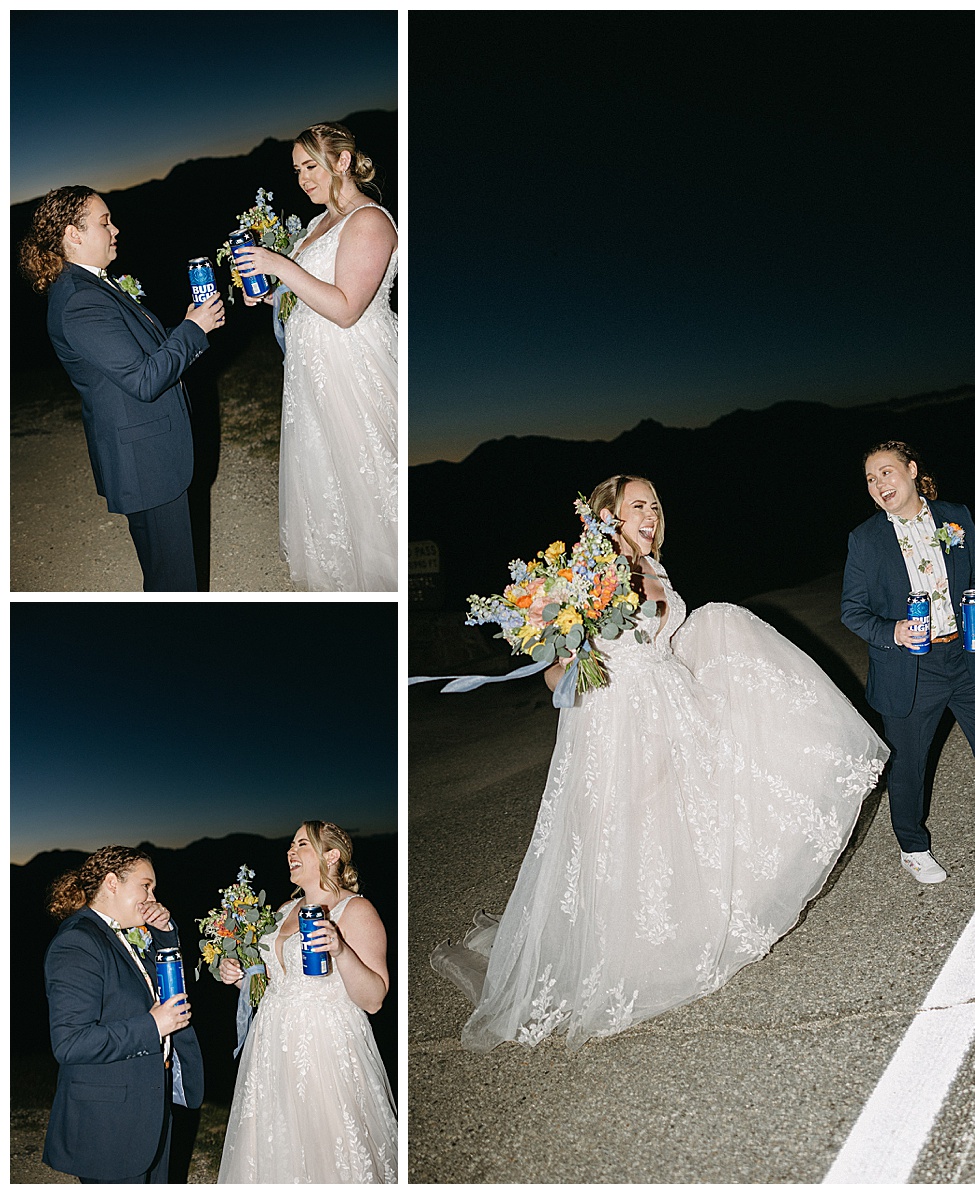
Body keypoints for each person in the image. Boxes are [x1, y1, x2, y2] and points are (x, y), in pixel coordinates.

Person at [431, 476, 890, 1051]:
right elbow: (557, 673)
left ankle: (682, 929)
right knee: (628, 831)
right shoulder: (587, 573)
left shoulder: (657, 569)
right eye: (638, 505)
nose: (651, 514)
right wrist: (576, 658)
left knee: (683, 816)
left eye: (656, 505)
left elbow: (666, 642)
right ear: (607, 514)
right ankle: (626, 954)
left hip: (673, 705)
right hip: (618, 719)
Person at [841, 440, 975, 884]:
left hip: (966, 652)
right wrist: (894, 631)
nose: (879, 483)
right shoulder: (865, 539)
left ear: (912, 469)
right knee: (909, 763)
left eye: (886, 472)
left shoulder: (955, 517)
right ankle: (913, 849)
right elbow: (852, 611)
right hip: (912, 667)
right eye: (870, 478)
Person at [19, 186, 225, 591]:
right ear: (73, 235)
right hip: (145, 464)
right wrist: (192, 331)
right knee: (175, 583)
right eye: (104, 222)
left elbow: (134, 353)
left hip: (148, 457)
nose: (116, 228)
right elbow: (144, 380)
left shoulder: (92, 284)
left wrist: (185, 328)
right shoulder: (80, 300)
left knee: (168, 576)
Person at [232, 122, 398, 591]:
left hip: (352, 368)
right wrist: (270, 294)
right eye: (297, 170)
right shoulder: (316, 223)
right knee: (324, 480)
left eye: (310, 166)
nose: (303, 178)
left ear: (342, 161)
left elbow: (346, 309)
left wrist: (279, 264)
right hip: (311, 371)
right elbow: (311, 297)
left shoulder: (370, 220)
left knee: (368, 483)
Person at [216, 821, 397, 1182]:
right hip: (271, 1043)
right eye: (290, 845)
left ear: (331, 856)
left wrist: (341, 951)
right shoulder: (283, 909)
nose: (290, 852)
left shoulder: (355, 911)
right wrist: (239, 976)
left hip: (323, 1045)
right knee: (276, 1144)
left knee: (330, 1146)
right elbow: (274, 984)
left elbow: (375, 999)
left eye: (301, 844)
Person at [43, 846, 204, 1183]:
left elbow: (154, 988)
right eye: (146, 886)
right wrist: (153, 1025)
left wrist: (164, 935)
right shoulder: (78, 942)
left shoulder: (126, 934)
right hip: (109, 1125)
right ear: (113, 883)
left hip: (148, 1109)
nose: (152, 896)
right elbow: (70, 1043)